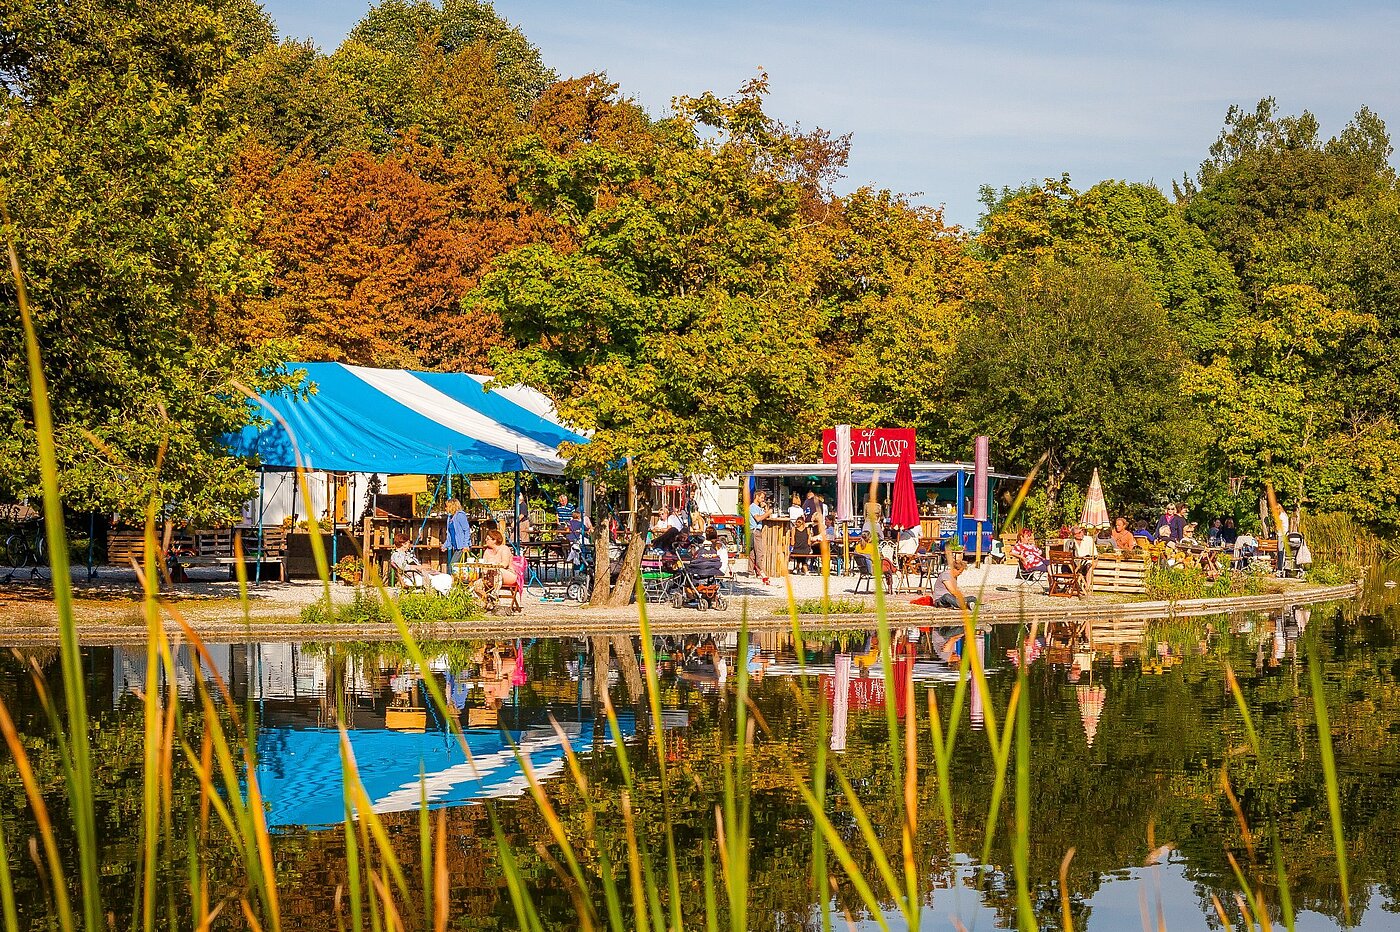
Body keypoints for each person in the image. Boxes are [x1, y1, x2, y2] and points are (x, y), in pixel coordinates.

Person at [471, 528, 519, 603]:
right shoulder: (487, 551)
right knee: (477, 583)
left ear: (494, 540)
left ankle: (494, 594)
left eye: (488, 539)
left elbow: (505, 564)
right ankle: (485, 600)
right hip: (491, 576)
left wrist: (493, 565)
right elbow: (484, 566)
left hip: (507, 574)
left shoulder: (504, 549)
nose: (486, 540)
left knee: (497, 570)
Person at [748, 491, 772, 585]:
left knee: (753, 552)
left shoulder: (758, 508)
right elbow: (758, 518)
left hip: (755, 531)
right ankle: (759, 571)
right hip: (755, 531)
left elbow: (765, 515)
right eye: (761, 497)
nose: (763, 499)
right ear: (756, 497)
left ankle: (751, 571)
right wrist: (768, 512)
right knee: (759, 552)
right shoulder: (753, 507)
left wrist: (766, 508)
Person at [443, 498, 471, 572]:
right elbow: (450, 533)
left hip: (462, 546)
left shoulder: (460, 515)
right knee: (455, 568)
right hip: (456, 546)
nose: (445, 508)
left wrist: (465, 545)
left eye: (446, 506)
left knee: (452, 567)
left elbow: (466, 530)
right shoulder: (450, 518)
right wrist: (445, 545)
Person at [1069, 525, 1096, 592]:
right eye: (1078, 533)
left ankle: (1087, 587)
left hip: (1086, 562)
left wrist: (1094, 562)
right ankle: (1070, 586)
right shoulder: (1070, 542)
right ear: (1074, 535)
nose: (1081, 534)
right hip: (1075, 563)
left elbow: (1095, 555)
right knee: (1065, 567)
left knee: (1089, 567)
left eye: (1081, 532)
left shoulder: (1089, 539)